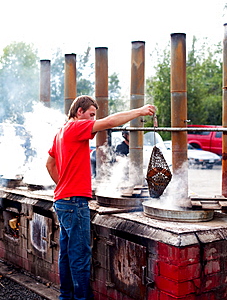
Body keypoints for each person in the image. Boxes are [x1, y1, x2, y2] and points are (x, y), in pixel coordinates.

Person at [45, 95, 156, 300]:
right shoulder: (76, 127)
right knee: (80, 256)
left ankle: (66, 297)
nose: (93, 119)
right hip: (75, 202)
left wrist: (62, 184)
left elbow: (49, 164)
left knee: (67, 254)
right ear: (79, 112)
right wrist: (139, 111)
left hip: (62, 201)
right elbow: (110, 122)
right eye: (91, 115)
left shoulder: (60, 132)